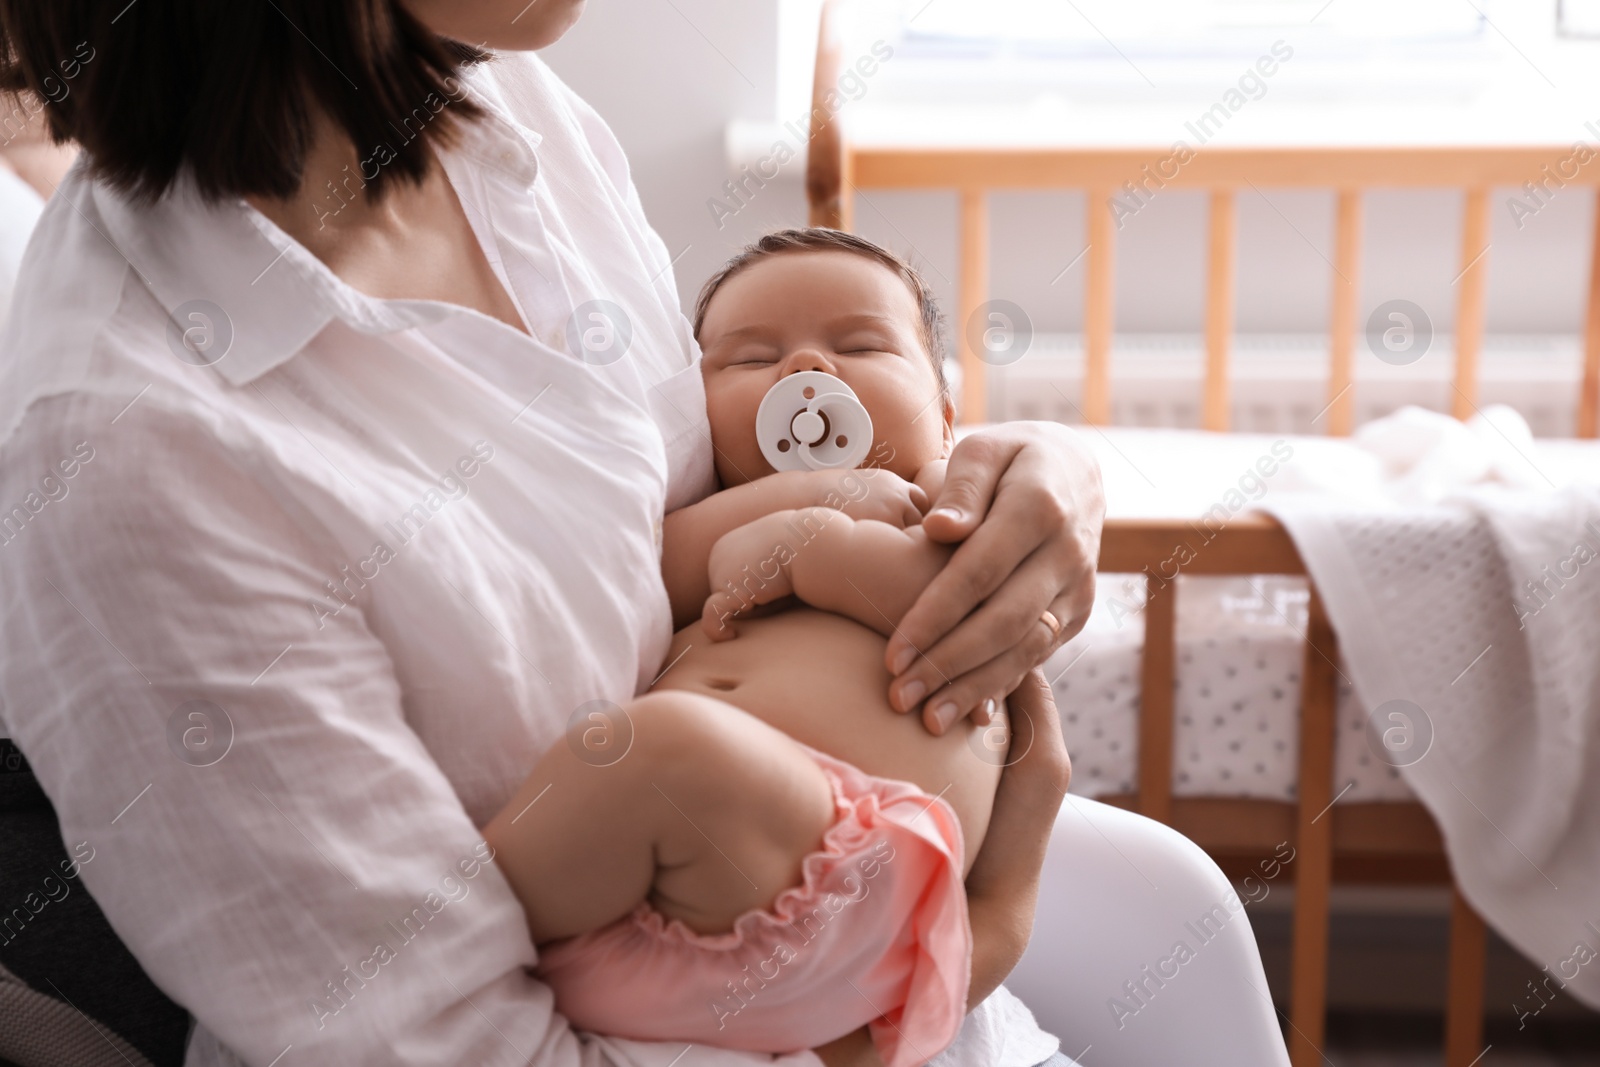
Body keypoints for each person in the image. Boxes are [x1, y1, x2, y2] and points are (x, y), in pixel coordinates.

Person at [0, 3, 1108, 1065]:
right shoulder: (132, 458)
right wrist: (972, 938)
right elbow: (443, 1038)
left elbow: (666, 509)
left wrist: (1019, 480)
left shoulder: (511, 103)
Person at [485, 229, 1039, 1066]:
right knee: (648, 753)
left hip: (863, 907)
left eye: (859, 344)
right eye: (748, 360)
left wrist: (821, 541)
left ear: (948, 414)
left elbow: (954, 634)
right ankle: (439, 928)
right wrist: (809, 505)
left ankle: (442, 918)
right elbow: (656, 570)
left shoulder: (955, 521)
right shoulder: (689, 523)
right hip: (666, 905)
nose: (805, 371)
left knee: (664, 748)